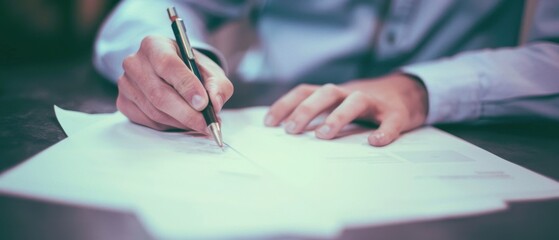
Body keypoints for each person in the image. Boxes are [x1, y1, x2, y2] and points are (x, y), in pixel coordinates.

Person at [94, 0, 559, 147]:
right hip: (269, 118)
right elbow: (160, 5)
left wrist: (417, 88)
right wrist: (173, 61)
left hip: (459, 131)